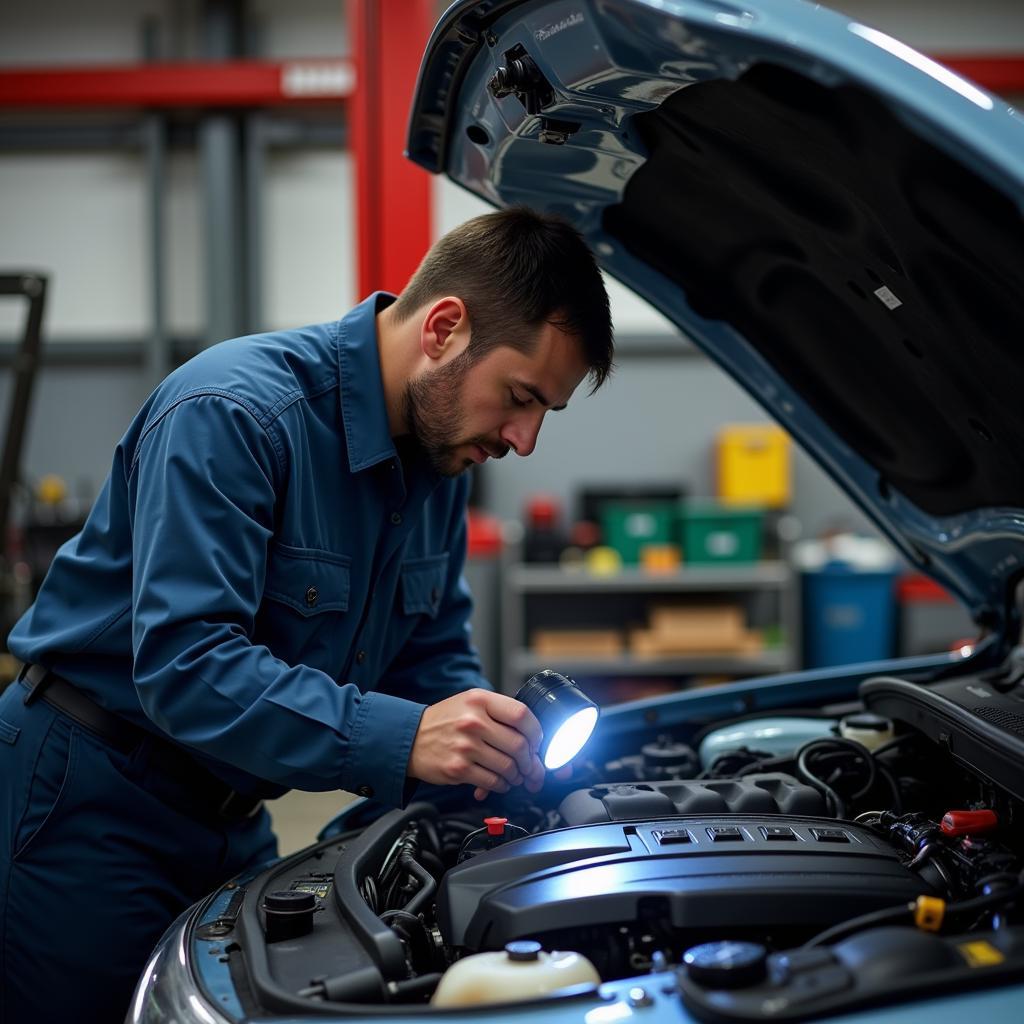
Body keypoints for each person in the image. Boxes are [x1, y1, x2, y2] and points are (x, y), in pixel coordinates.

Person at [0, 206, 613, 1022]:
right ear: (443, 328)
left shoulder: (439, 464)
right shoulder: (234, 414)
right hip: (88, 801)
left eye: (545, 414)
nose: (525, 439)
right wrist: (405, 739)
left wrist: (490, 755)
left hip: (229, 815)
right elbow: (188, 667)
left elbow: (429, 659)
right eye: (520, 397)